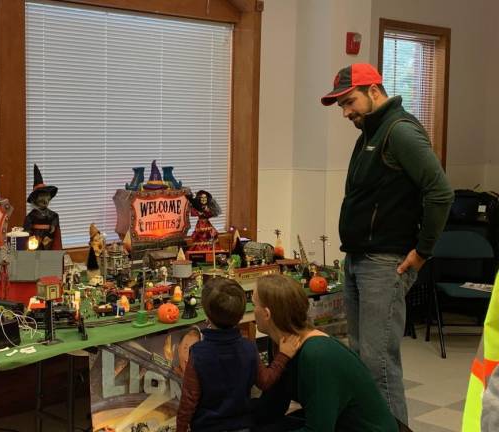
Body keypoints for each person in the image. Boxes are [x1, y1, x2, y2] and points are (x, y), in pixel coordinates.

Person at [320, 63, 454, 424]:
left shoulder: (401, 132)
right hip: (359, 259)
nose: (346, 112)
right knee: (363, 357)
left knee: (378, 364)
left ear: (374, 91)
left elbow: (440, 193)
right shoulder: (370, 133)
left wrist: (423, 251)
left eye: (349, 102)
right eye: (342, 106)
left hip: (385, 263)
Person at [253, 274, 399, 432]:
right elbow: (272, 407)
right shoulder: (279, 344)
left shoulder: (317, 354)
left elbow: (319, 429)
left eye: (254, 304)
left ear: (267, 314)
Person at [176, 277, 300, 432]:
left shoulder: (198, 353)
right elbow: (266, 381)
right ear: (241, 316)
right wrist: (283, 356)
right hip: (242, 426)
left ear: (207, 314)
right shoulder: (248, 348)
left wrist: (180, 429)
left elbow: (188, 400)